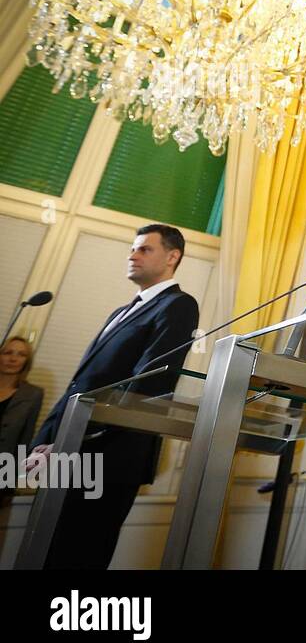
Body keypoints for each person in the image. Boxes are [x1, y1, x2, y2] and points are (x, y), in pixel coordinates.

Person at [26, 224, 200, 568]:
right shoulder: (120, 312)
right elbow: (81, 384)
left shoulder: (178, 305)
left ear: (172, 256)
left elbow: (148, 384)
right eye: (132, 249)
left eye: (144, 249)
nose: (132, 255)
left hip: (109, 455)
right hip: (68, 453)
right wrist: (45, 441)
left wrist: (72, 442)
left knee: (79, 556)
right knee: (44, 553)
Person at [0, 336, 44, 506]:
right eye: (8, 352)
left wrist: (12, 482)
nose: (13, 358)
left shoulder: (33, 394)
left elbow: (24, 440)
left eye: (21, 354)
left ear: (27, 361)